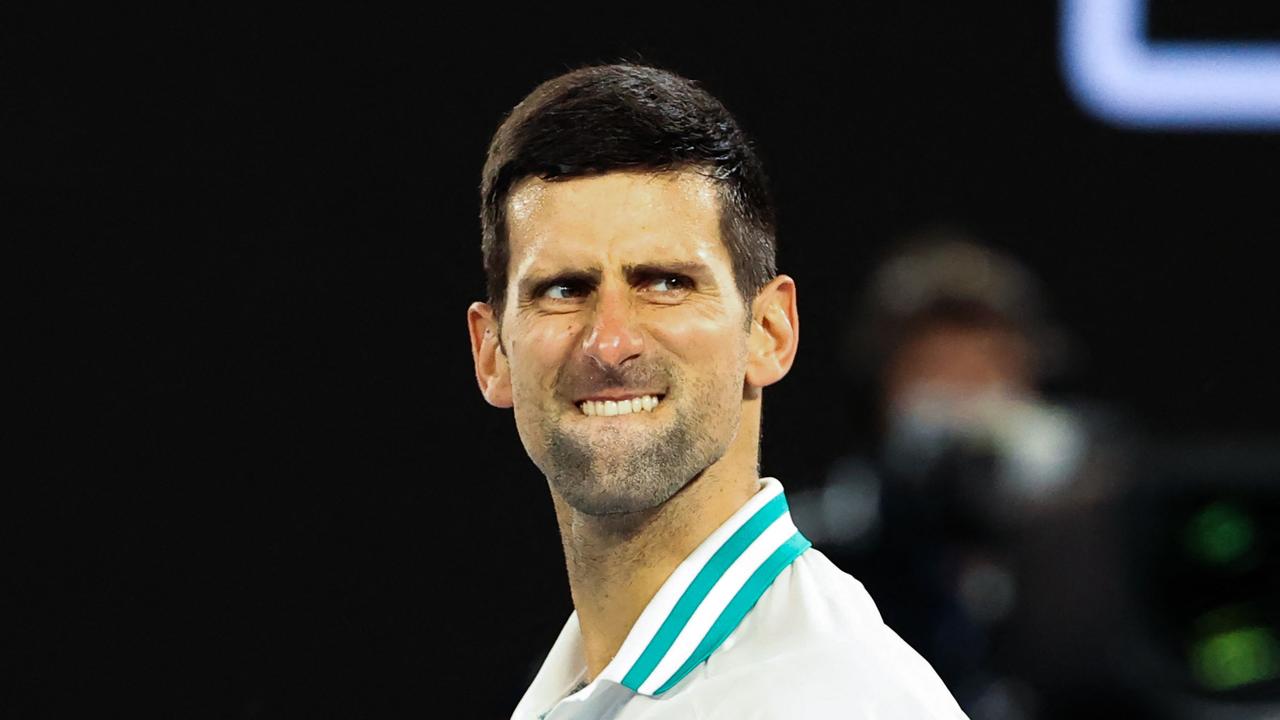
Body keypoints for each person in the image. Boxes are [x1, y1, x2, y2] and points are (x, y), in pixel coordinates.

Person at [466, 62, 968, 720]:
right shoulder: (566, 692)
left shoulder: (845, 699)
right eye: (564, 290)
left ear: (769, 331)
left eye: (666, 282)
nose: (610, 342)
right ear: (492, 351)